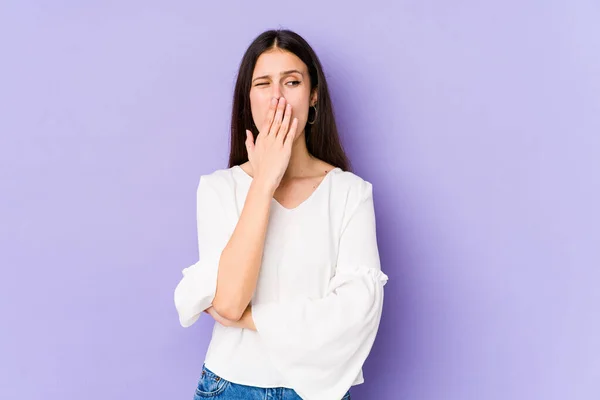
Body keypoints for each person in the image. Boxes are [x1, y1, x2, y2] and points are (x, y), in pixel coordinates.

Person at [174, 28, 389, 400]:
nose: (277, 97)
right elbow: (229, 301)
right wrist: (264, 182)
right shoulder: (217, 189)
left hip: (319, 392)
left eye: (291, 81)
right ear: (248, 98)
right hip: (229, 387)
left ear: (313, 95)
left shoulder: (350, 193)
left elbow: (354, 315)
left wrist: (251, 321)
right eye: (263, 83)